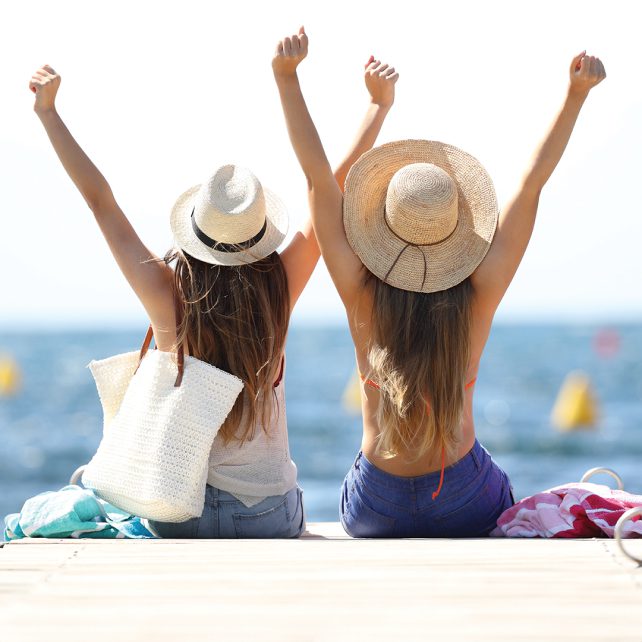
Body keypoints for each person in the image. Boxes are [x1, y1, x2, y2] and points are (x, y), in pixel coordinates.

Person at [28, 52, 398, 538]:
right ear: (261, 232)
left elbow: (101, 201)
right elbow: (328, 191)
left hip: (179, 512)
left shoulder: (167, 295)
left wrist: (48, 113)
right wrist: (377, 106)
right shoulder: (279, 288)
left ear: (195, 233)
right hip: (268, 517)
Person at [273, 28, 606, 537]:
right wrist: (574, 96)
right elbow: (531, 182)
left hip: (375, 505)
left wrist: (288, 79)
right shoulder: (478, 295)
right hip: (462, 499)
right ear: (456, 231)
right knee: (490, 469)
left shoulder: (361, 294)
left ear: (381, 227)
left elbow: (319, 180)